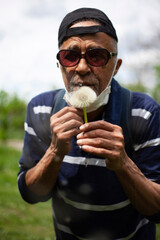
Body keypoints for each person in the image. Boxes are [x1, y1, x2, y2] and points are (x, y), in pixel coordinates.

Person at [18, 7, 160, 240]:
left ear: (117, 66)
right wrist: (54, 151)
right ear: (59, 64)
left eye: (97, 56)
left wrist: (123, 163)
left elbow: (157, 210)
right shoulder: (40, 110)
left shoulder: (144, 113)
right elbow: (31, 195)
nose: (82, 68)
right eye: (70, 56)